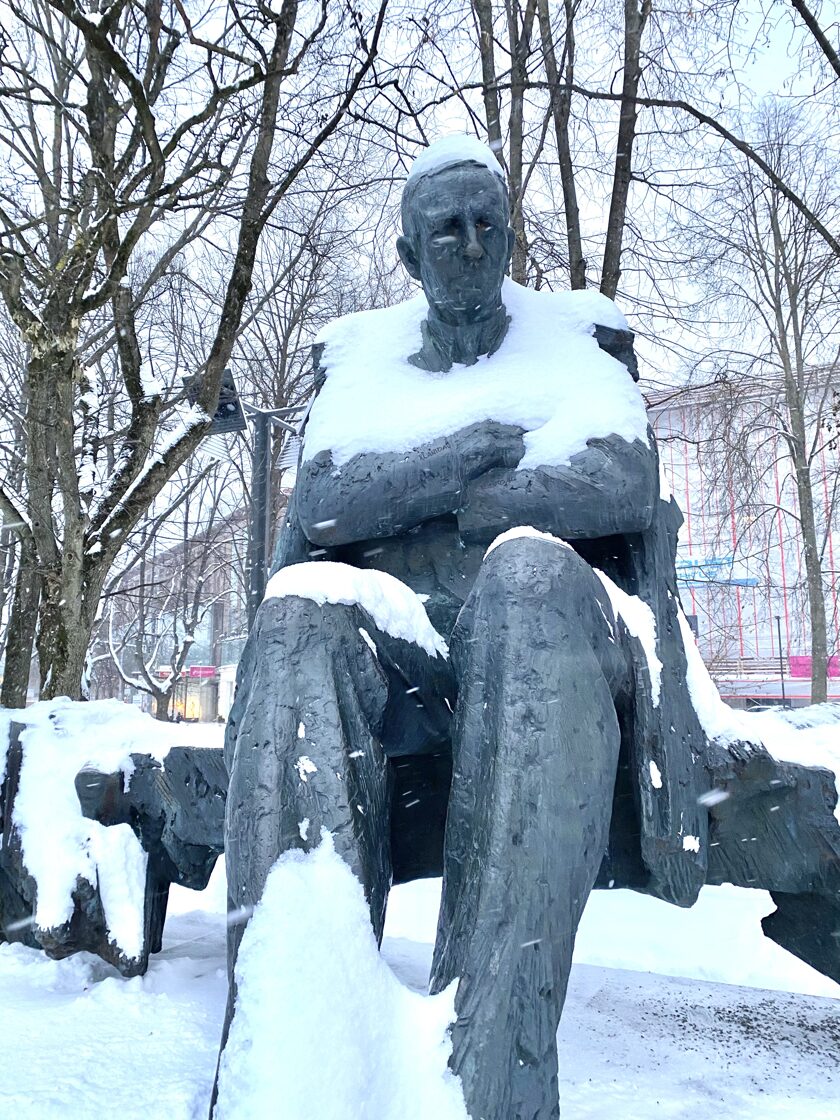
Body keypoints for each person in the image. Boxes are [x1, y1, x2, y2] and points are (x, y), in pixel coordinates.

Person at [217, 136, 710, 1120]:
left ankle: (487, 1086)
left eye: (491, 225)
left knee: (523, 574)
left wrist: (459, 509)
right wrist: (459, 460)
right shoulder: (363, 367)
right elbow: (320, 505)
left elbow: (618, 479)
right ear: (409, 253)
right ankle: (295, 1079)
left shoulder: (576, 342)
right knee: (299, 614)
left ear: (513, 237)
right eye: (448, 229)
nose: (473, 244)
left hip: (557, 641)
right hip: (406, 653)